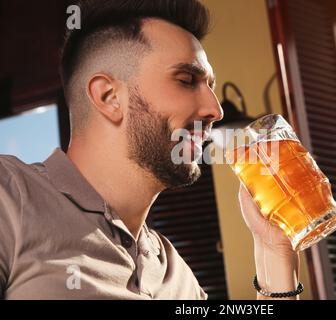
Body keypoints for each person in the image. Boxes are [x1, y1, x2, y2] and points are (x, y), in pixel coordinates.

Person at [0, 0, 299, 300]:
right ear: (109, 97)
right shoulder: (10, 196)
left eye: (210, 86)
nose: (216, 110)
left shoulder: (176, 274)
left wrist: (274, 251)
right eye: (186, 81)